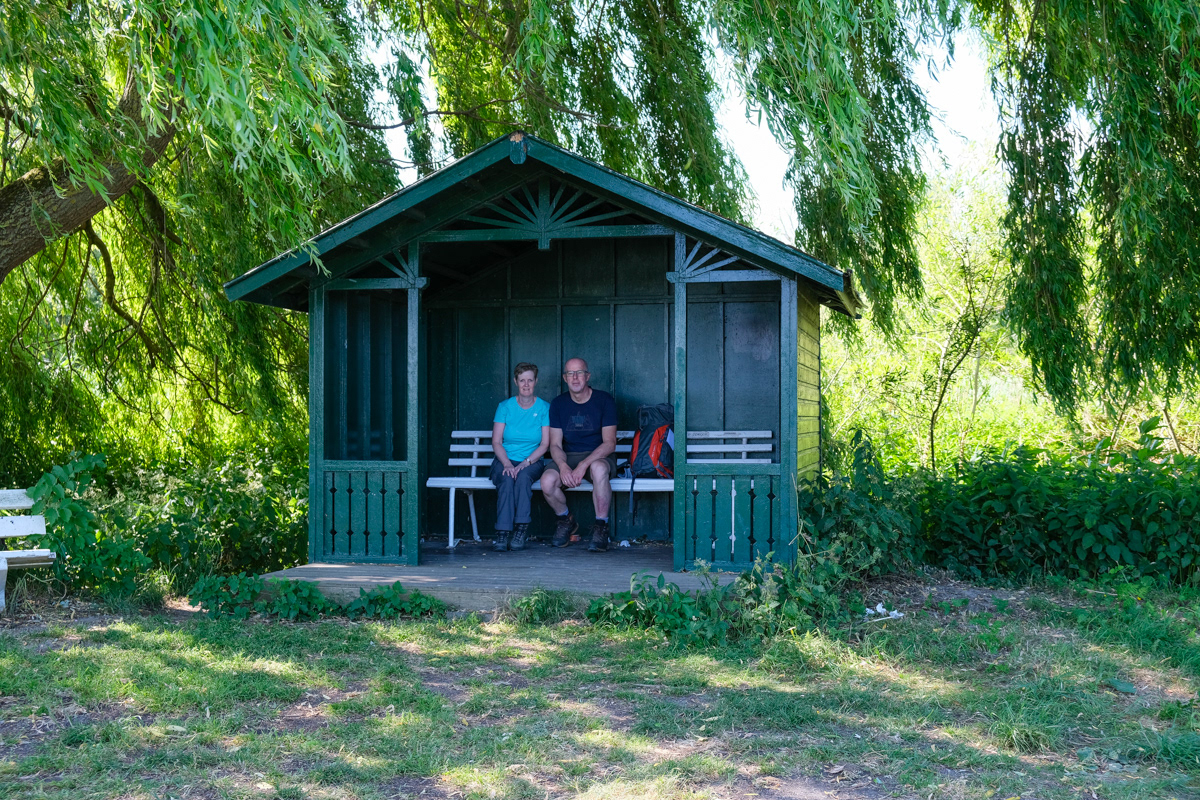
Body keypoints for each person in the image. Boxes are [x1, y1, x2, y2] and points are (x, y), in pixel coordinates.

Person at [540, 357, 618, 552]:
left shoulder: (604, 400)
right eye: (570, 374)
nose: (575, 378)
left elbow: (609, 443)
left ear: (588, 376)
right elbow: (555, 444)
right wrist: (564, 466)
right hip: (568, 455)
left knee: (598, 469)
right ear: (565, 378)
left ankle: (601, 526)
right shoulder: (558, 404)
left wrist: (583, 465)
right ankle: (566, 520)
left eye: (580, 373)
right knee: (547, 481)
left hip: (598, 456)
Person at [490, 362, 551, 552]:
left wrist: (525, 463)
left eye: (530, 380)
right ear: (516, 381)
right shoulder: (505, 407)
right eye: (522, 380)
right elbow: (496, 442)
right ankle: (502, 532)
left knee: (523, 478)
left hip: (532, 461)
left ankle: (520, 530)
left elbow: (544, 444)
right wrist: (507, 464)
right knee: (507, 478)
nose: (526, 384)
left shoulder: (544, 408)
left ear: (536, 382)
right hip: (504, 460)